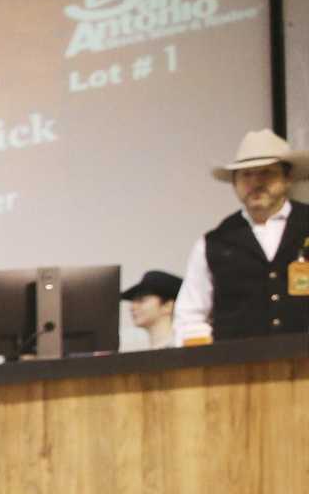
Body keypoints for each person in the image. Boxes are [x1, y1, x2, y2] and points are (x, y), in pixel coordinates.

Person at [172, 129, 309, 344]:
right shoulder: (213, 242)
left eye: (266, 173)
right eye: (246, 175)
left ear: (288, 178)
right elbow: (190, 317)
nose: (256, 183)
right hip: (237, 370)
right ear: (234, 183)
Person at [121, 270, 182, 350]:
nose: (132, 307)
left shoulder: (185, 351)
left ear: (167, 306)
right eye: (133, 301)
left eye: (141, 300)